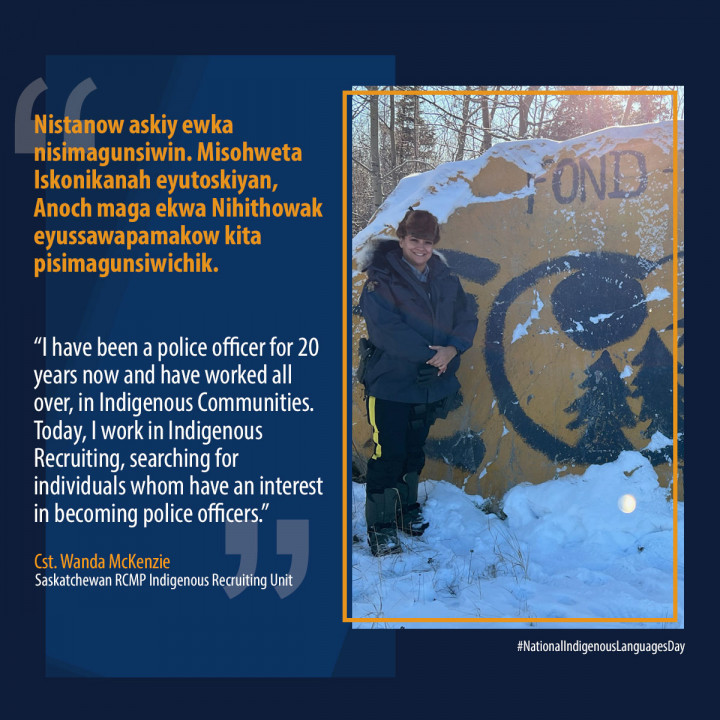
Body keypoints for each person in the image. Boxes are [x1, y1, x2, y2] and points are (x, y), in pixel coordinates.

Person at [359, 207, 478, 556]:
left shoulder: (445, 278)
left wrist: (453, 350)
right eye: (414, 240)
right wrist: (435, 355)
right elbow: (388, 331)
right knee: (388, 453)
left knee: (413, 450)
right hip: (391, 384)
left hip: (428, 383)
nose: (421, 248)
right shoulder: (381, 278)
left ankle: (404, 511)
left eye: (427, 242)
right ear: (401, 239)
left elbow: (466, 316)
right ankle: (380, 526)